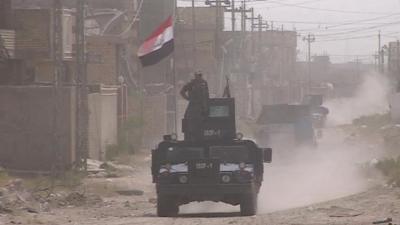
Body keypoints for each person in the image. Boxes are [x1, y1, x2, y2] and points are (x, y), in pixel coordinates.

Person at [180, 71, 209, 141]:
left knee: (200, 123)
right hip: (194, 105)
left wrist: (205, 107)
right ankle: (192, 136)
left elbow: (206, 96)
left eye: (200, 75)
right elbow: (182, 92)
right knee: (188, 119)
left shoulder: (204, 83)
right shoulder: (192, 84)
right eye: (198, 75)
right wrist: (188, 98)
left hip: (199, 106)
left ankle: (197, 136)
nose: (199, 77)